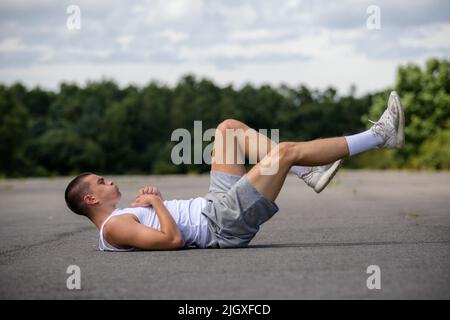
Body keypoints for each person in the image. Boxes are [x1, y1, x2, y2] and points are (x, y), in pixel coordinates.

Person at [64, 91, 405, 251]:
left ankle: (307, 172)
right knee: (285, 152)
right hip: (221, 223)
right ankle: (378, 137)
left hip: (215, 204)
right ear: (91, 198)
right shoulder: (112, 228)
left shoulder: (120, 218)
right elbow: (173, 240)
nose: (110, 181)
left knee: (227, 128)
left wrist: (154, 206)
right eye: (101, 181)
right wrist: (156, 204)